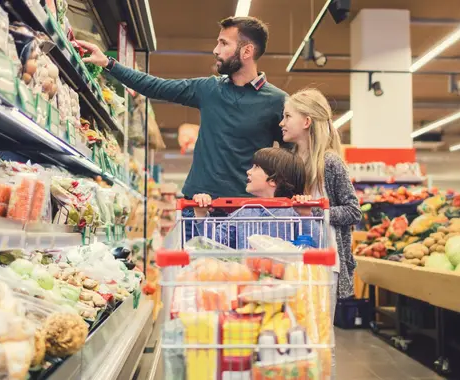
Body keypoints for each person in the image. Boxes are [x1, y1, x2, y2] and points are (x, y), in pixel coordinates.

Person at [77, 16, 287, 204]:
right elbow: (154, 86)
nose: (216, 50)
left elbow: (292, 157)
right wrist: (108, 63)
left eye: (224, 43)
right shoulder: (209, 89)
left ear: (247, 51)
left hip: (248, 208)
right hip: (199, 203)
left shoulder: (277, 101)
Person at [279, 88, 361, 378]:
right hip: (292, 258)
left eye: (287, 115)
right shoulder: (287, 161)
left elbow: (354, 210)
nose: (281, 122)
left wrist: (316, 212)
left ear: (306, 121)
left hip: (326, 263)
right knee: (293, 333)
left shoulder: (330, 163)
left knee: (321, 338)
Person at [190, 147, 319, 249]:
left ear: (273, 179)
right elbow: (214, 243)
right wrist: (201, 214)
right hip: (249, 278)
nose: (248, 171)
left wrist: (305, 216)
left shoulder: (293, 212)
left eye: (256, 167)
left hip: (285, 279)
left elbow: (314, 245)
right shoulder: (243, 212)